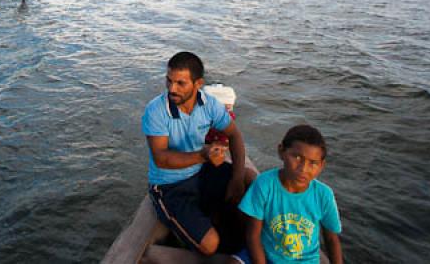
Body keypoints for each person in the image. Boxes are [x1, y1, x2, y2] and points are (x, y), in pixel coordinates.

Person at [142, 51, 254, 256]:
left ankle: (242, 236)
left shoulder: (209, 104)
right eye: (169, 81)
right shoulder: (156, 111)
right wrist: (202, 155)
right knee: (210, 244)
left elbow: (235, 136)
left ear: (198, 83)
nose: (171, 88)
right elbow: (161, 158)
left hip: (201, 173)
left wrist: (236, 181)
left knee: (249, 177)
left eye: (180, 83)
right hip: (169, 186)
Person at [235, 125, 343, 264]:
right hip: (265, 254)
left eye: (313, 163)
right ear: (281, 151)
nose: (303, 169)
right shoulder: (265, 184)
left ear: (321, 165)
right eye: (297, 157)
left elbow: (331, 240)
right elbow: (253, 235)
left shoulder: (324, 195)